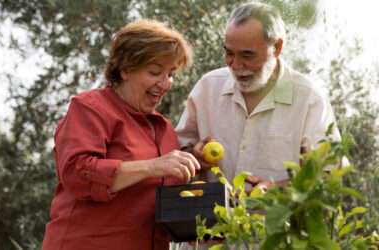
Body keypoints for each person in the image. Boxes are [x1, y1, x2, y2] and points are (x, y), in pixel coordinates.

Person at [41, 19, 200, 250]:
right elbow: (77, 173)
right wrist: (152, 166)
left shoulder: (165, 130)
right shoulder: (91, 107)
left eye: (171, 74)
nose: (166, 84)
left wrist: (195, 161)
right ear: (125, 69)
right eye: (155, 72)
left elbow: (167, 205)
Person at [177, 2, 341, 201]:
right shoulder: (207, 87)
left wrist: (278, 189)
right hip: (210, 229)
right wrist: (195, 157)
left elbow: (329, 174)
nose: (235, 65)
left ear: (277, 47)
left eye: (247, 55)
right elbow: (179, 152)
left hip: (279, 230)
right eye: (229, 53)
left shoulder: (309, 99)